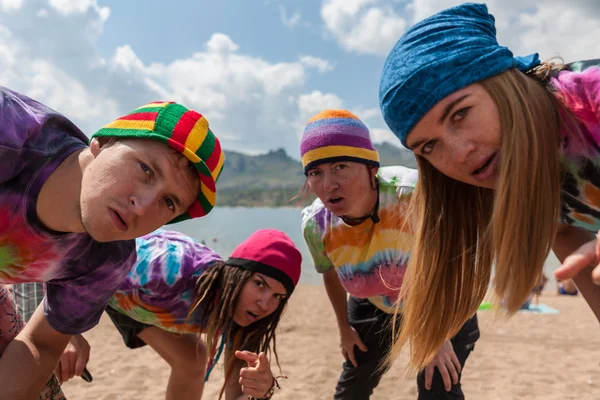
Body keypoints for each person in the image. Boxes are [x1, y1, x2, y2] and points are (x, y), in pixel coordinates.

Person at [378, 2, 600, 371]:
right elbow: (564, 228)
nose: (460, 153)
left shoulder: (590, 94)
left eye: (460, 114)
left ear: (502, 82)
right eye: (429, 146)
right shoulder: (507, 169)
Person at [0, 88, 224, 398]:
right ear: (103, 143)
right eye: (145, 169)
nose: (143, 206)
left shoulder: (107, 260)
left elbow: (43, 343)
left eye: (169, 202)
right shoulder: (11, 131)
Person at [300, 109, 479, 399]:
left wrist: (439, 333)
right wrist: (344, 329)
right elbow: (329, 272)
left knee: (438, 386)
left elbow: (459, 258)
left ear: (371, 168)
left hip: (444, 298)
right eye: (315, 173)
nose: (328, 184)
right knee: (352, 388)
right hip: (375, 302)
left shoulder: (413, 194)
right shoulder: (317, 225)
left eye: (341, 167)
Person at [17, 228, 300, 400]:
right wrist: (69, 331)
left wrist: (258, 392)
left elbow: (236, 396)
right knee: (43, 362)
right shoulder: (167, 270)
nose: (265, 304)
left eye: (277, 296)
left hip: (136, 304)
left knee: (193, 358)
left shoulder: (247, 316)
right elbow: (77, 253)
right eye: (259, 284)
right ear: (236, 275)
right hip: (61, 269)